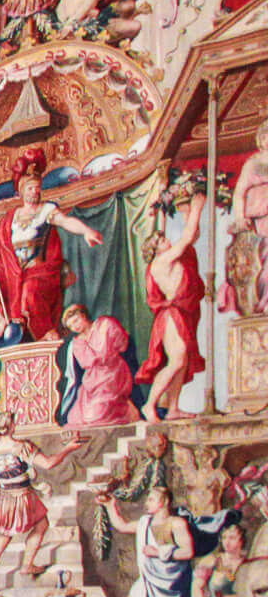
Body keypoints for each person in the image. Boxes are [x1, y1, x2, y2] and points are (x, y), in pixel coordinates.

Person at [0, 147, 103, 341]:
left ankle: (43, 334)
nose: (35, 191)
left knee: (29, 291)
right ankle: (2, 320)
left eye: (37, 188)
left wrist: (86, 231)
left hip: (36, 270)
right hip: (11, 270)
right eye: (31, 188)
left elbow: (66, 221)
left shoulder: (45, 210)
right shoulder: (11, 217)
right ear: (22, 191)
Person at [0, 415, 81, 588]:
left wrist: (2, 487)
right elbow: (49, 463)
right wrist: (67, 449)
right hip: (23, 496)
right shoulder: (23, 447)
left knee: (2, 539)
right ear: (12, 427)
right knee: (41, 524)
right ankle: (27, 565)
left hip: (5, 499)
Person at [140, 183, 207, 421]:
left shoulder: (170, 255)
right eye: (160, 243)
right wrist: (198, 207)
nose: (165, 242)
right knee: (177, 358)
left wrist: (188, 212)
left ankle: (174, 408)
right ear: (155, 250)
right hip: (171, 317)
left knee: (183, 359)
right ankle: (150, 405)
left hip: (180, 313)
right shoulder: (161, 261)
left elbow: (191, 238)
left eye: (163, 240)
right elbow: (188, 236)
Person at [59, 304, 138, 427]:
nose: (76, 326)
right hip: (93, 378)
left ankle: (126, 409)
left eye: (76, 320)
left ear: (83, 315)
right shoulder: (77, 343)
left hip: (114, 371)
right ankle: (125, 408)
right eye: (71, 326)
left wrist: (106, 355)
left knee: (98, 414)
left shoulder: (105, 324)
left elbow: (122, 343)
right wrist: (101, 356)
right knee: (77, 417)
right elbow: (86, 362)